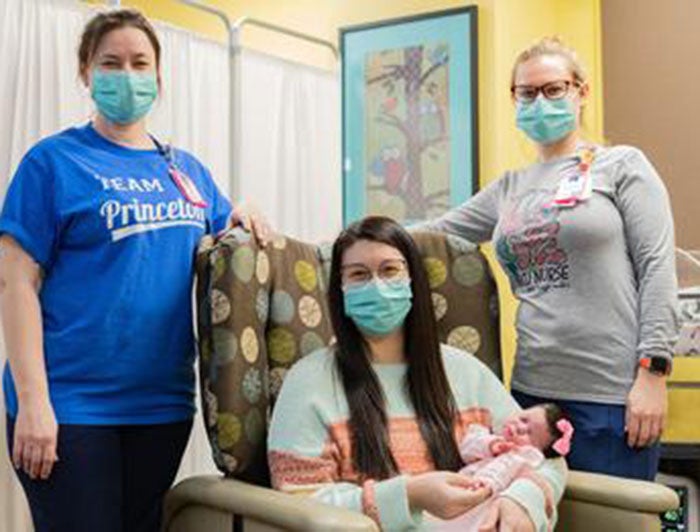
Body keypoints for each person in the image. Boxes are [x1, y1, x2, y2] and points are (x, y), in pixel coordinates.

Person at [0, 9, 269, 532]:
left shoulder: (186, 171)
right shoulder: (53, 162)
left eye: (140, 63)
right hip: (71, 405)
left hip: (161, 405)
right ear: (85, 73)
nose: (127, 75)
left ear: (158, 76)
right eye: (111, 62)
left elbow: (224, 246)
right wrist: (34, 403)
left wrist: (243, 213)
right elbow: (15, 283)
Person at [418, 36, 678, 480]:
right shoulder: (508, 188)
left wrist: (653, 372)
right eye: (528, 93)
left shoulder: (620, 166)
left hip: (613, 398)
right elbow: (421, 236)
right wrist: (285, 239)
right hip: (529, 400)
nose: (541, 101)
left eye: (554, 89)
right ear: (514, 99)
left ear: (581, 92)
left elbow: (657, 266)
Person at [268, 216, 566, 532]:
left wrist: (523, 500)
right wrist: (409, 495)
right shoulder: (309, 382)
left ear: (414, 280)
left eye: (390, 270)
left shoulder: (465, 371)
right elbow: (297, 498)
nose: (377, 286)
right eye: (358, 275)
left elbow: (546, 455)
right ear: (339, 290)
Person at [432, 404, 573, 531]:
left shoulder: (527, 456)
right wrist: (491, 445)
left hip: (489, 504)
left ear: (537, 449)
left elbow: (532, 477)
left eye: (529, 433)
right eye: (523, 419)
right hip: (460, 489)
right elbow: (466, 449)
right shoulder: (486, 436)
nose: (520, 427)